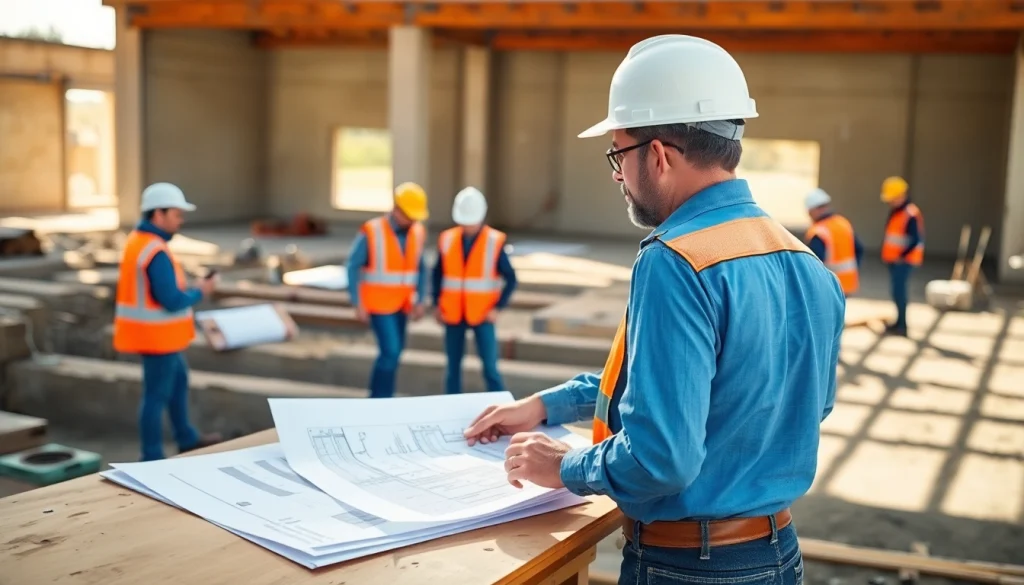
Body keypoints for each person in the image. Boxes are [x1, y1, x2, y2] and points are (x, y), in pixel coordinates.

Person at [462, 34, 845, 585]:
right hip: (778, 555)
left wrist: (563, 467)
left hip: (688, 567)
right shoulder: (804, 260)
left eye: (618, 154)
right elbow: (774, 399)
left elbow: (662, 455)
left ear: (659, 155)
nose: (617, 174)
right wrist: (550, 404)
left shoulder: (675, 260)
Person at [112, 182, 222, 461]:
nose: (180, 220)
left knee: (178, 380)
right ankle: (151, 458)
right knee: (155, 396)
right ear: (158, 215)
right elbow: (171, 300)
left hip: (157, 337)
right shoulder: (154, 251)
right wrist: (201, 291)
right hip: (156, 338)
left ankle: (186, 437)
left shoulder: (140, 242)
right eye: (176, 214)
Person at [345, 182, 430, 398]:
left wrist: (421, 299)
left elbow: (421, 267)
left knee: (395, 353)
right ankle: (378, 400)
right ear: (396, 209)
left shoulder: (417, 232)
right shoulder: (372, 231)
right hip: (379, 304)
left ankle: (383, 399)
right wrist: (358, 302)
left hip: (403, 304)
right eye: (409, 216)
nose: (413, 221)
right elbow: (353, 266)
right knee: (390, 352)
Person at [432, 186, 517, 394]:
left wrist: (497, 307)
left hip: (483, 314)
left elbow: (511, 279)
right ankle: (449, 405)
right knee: (452, 368)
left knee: (490, 369)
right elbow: (437, 274)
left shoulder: (494, 241)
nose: (468, 226)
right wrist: (437, 304)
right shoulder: (447, 239)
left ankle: (501, 409)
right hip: (453, 313)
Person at [879, 176, 925, 337]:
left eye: (892, 199)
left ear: (901, 195)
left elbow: (916, 240)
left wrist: (901, 256)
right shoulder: (897, 212)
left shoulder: (910, 214)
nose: (890, 202)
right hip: (894, 260)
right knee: (896, 292)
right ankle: (899, 323)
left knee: (899, 292)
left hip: (904, 261)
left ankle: (902, 326)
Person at [803, 187, 863, 296]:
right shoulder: (843, 223)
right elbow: (859, 249)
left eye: (809, 212)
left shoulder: (819, 231)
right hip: (846, 284)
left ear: (814, 210)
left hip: (829, 285)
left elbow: (814, 262)